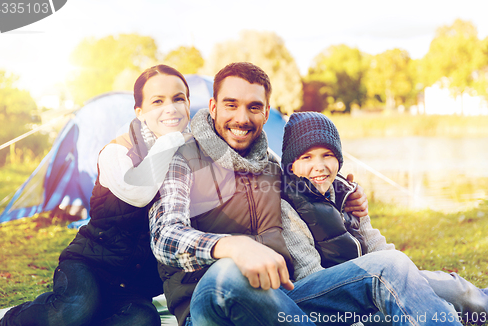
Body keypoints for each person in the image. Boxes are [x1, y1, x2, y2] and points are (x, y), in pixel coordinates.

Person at [150, 62, 462, 326]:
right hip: (210, 302)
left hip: (285, 297)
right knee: (229, 274)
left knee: (390, 265)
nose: (242, 118)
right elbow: (165, 237)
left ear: (267, 111)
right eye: (231, 105)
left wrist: (346, 195)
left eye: (254, 107)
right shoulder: (180, 158)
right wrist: (232, 247)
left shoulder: (270, 164)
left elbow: (314, 180)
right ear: (214, 107)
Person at [0, 64, 192, 326]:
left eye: (178, 98)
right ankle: (11, 320)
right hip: (90, 265)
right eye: (158, 101)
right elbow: (138, 192)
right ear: (140, 112)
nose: (170, 108)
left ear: (189, 104)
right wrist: (170, 140)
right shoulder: (117, 151)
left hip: (133, 285)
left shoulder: (192, 157)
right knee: (75, 308)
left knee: (143, 321)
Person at [280, 111, 488, 323]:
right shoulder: (287, 207)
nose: (319, 165)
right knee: (439, 311)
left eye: (327, 155)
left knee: (454, 290)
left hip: (377, 281)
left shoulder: (345, 193)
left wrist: (409, 279)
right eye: (307, 157)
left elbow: (376, 245)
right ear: (291, 165)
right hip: (345, 301)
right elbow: (313, 278)